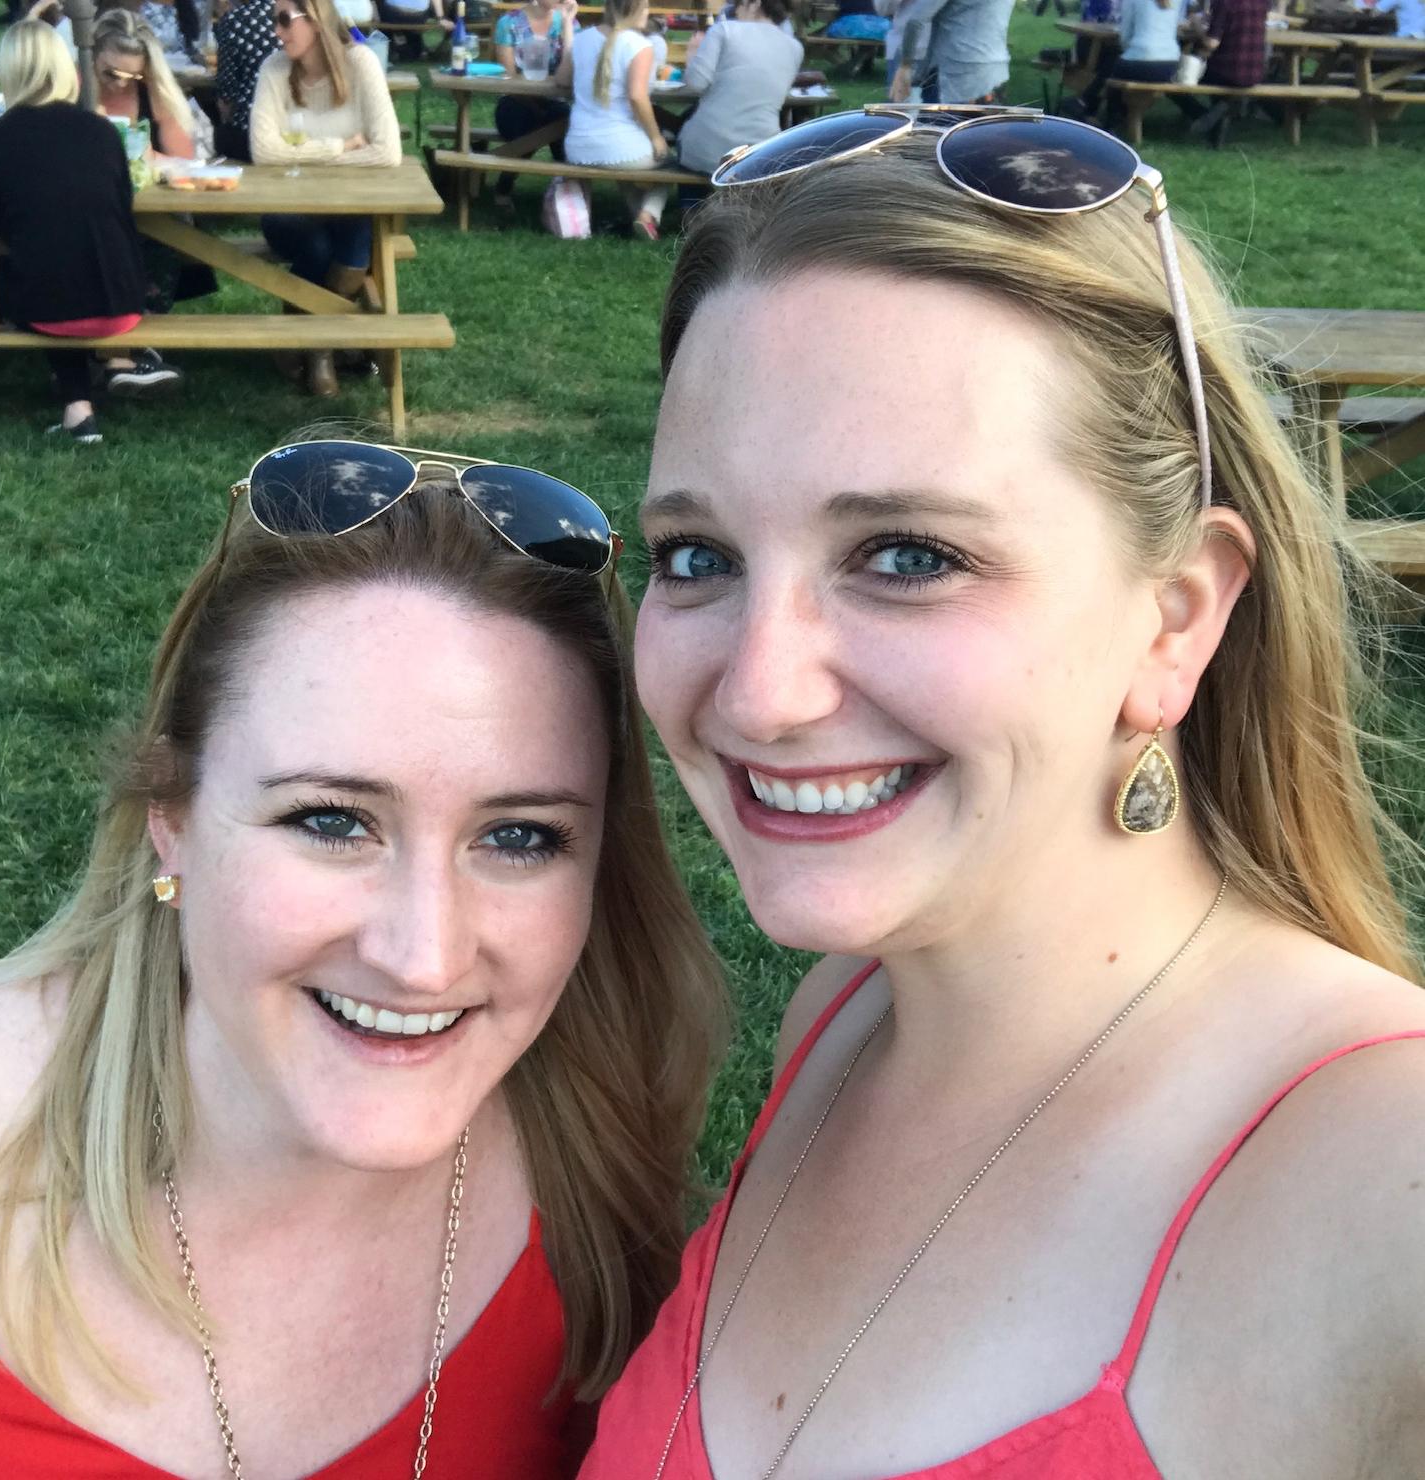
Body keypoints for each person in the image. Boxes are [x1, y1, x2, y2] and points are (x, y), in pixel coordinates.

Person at [581, 114, 1425, 1478]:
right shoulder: (843, 1023)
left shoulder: (1380, 1182)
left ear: (1175, 619)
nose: (759, 691)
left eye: (908, 555)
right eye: (697, 556)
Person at [0, 449, 727, 1479]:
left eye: (519, 837)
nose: (424, 957)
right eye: (331, 821)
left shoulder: (601, 1184)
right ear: (170, 818)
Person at [0, 21, 182, 445]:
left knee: (35, 265)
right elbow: (122, 205)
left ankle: (78, 405)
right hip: (123, 299)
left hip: (45, 307)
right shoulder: (102, 131)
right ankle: (118, 364)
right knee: (65, 256)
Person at [250, 0, 401, 394]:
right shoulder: (275, 69)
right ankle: (321, 345)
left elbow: (388, 152)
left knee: (353, 237)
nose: (277, 31)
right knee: (317, 247)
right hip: (286, 208)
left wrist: (302, 155)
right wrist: (341, 146)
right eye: (274, 20)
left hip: (348, 205)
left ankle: (316, 345)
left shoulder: (361, 63)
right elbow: (263, 151)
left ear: (316, 20)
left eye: (285, 20)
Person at [557, 0, 670, 240]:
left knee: (627, 162)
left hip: (578, 147)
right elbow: (637, 97)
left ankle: (639, 220)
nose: (648, 12)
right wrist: (656, 137)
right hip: (621, 146)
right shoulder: (640, 45)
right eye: (645, 7)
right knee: (671, 164)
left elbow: (562, 80)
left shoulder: (582, 38)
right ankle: (648, 215)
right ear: (633, 9)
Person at [675, 0, 802, 177]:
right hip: (761, 152)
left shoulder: (724, 30)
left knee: (685, 135)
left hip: (708, 148)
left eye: (739, 4)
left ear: (755, 3)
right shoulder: (795, 48)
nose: (735, 11)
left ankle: (686, 197)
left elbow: (695, 84)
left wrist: (692, 56)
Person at [492, 0, 578, 216]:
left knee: (562, 119)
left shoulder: (568, 23)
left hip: (554, 101)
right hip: (516, 99)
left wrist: (568, 25)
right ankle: (504, 187)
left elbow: (573, 70)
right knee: (529, 124)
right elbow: (508, 78)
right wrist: (535, 105)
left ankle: (567, 197)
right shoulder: (509, 23)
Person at [92, 6, 198, 160]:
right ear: (92, 58)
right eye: (111, 74)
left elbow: (183, 164)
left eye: (133, 76)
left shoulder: (154, 93)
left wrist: (146, 157)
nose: (121, 84)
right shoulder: (73, 89)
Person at [1072, 0, 1182, 127]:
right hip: (1170, 65)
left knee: (1113, 71)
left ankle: (1105, 118)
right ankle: (1089, 104)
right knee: (1115, 66)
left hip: (1143, 59)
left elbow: (1125, 37)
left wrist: (1130, 48)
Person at [891, 0, 1015, 104]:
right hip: (997, 70)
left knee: (939, 125)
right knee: (987, 125)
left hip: (956, 73)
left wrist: (905, 65)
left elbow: (916, 20)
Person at [1176, 0, 1268, 137]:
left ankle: (1202, 114)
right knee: (1214, 73)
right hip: (1255, 72)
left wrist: (1198, 28)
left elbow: (1212, 43)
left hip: (1227, 71)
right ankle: (1221, 110)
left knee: (1177, 79)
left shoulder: (1223, 3)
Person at [212, 0, 278, 159]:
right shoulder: (299, 16)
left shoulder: (234, 20)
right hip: (296, 129)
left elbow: (226, 95)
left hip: (248, 133)